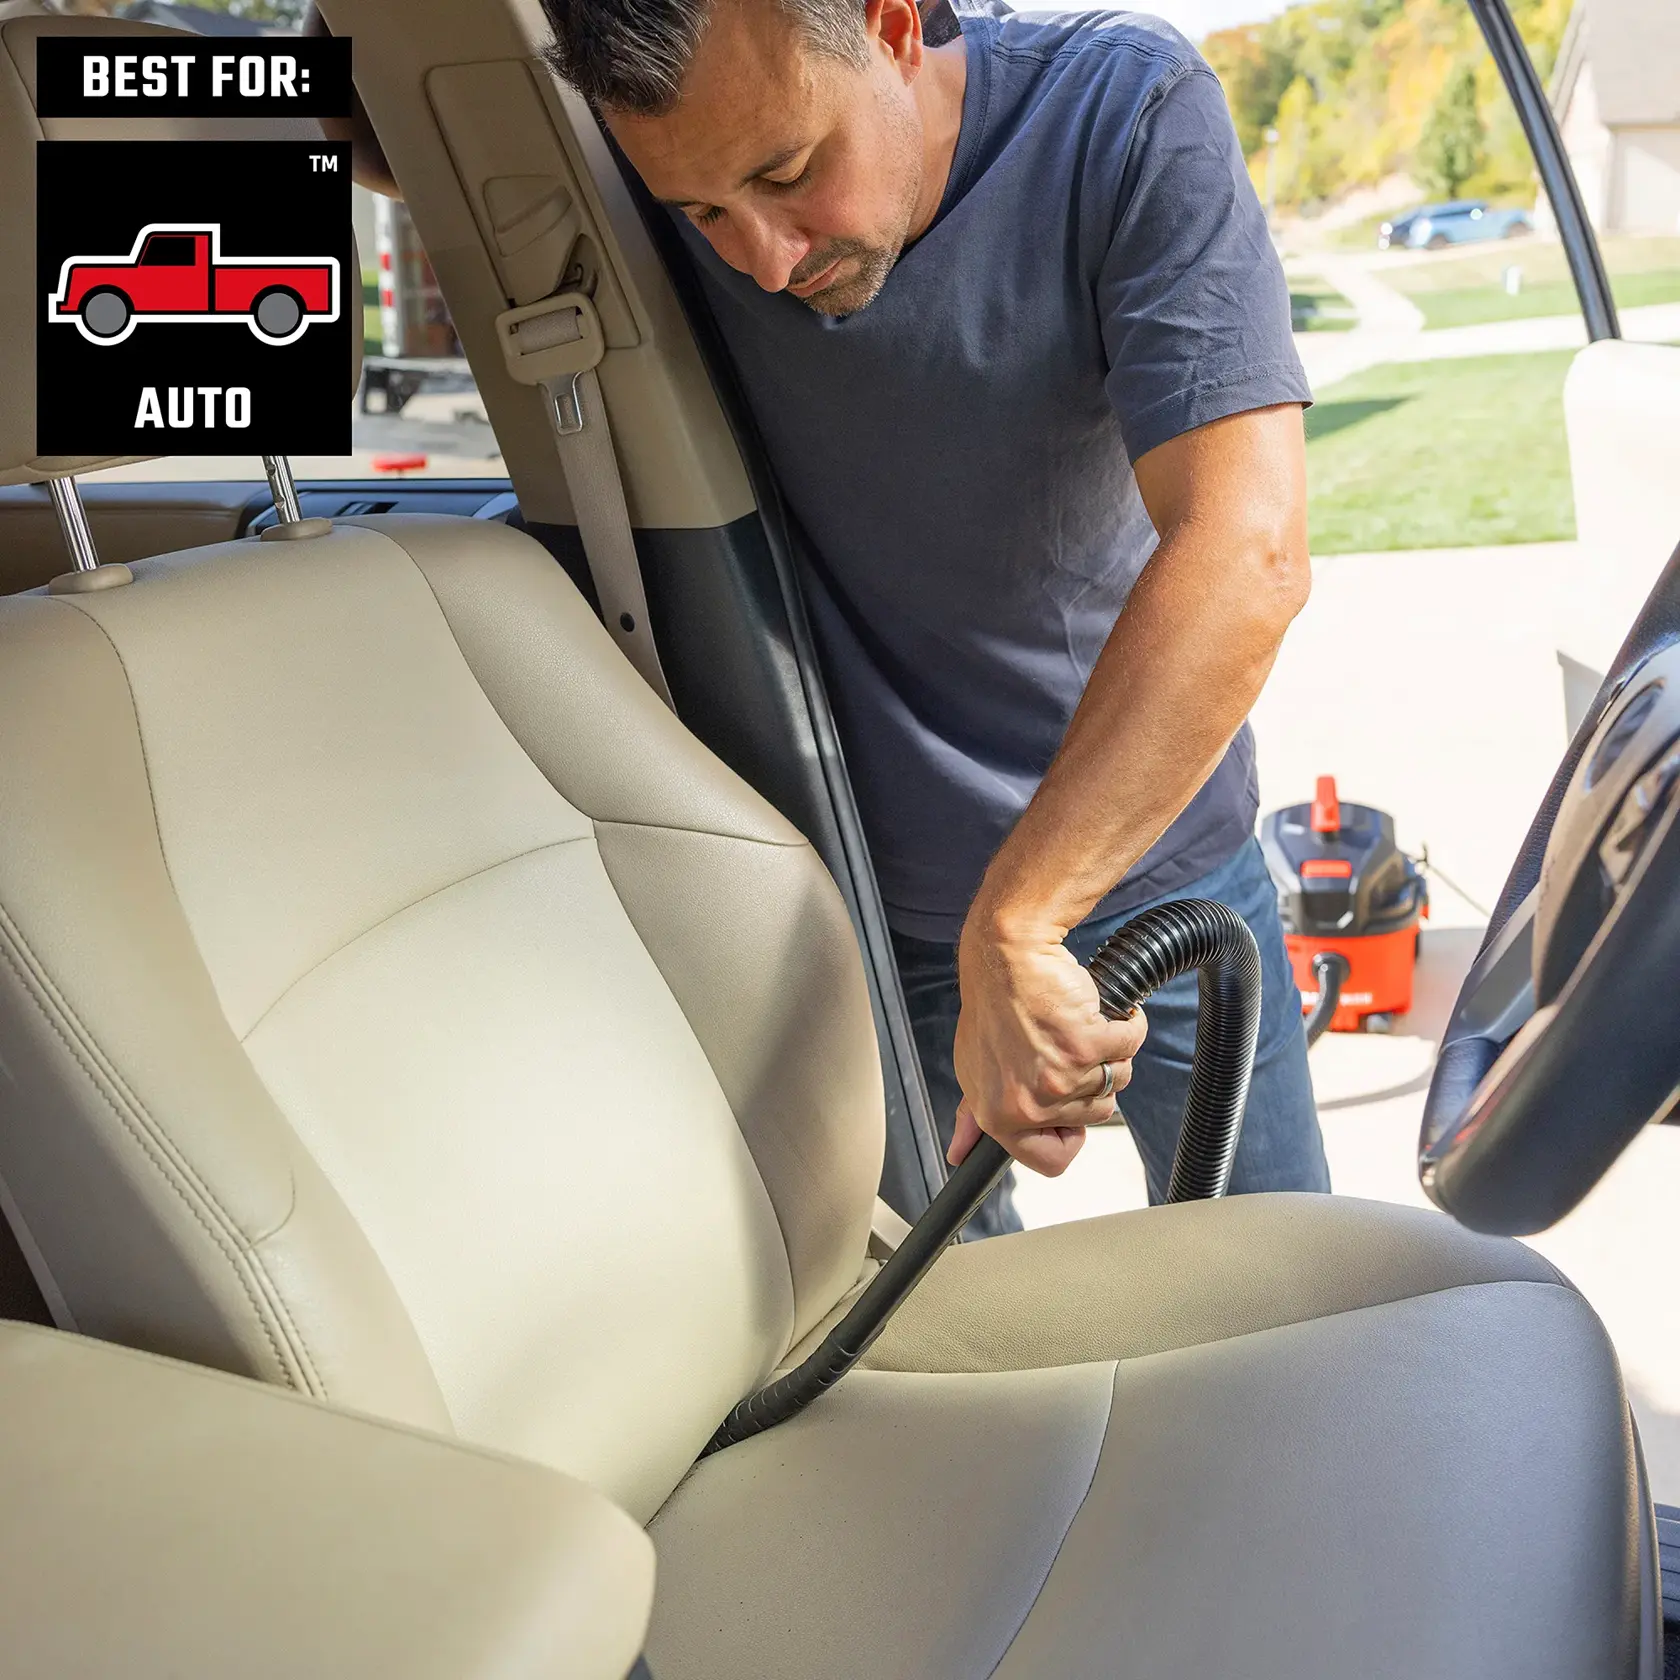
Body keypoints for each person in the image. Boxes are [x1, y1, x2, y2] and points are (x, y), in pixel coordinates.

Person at [540, 0, 1331, 1230]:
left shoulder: (1121, 112)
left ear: (892, 27)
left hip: (1157, 840)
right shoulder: (682, 139)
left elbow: (1250, 546)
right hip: (876, 901)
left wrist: (1021, 920)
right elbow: (381, 104)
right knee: (954, 1349)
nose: (762, 258)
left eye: (789, 173)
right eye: (701, 215)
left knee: (1285, 1302)